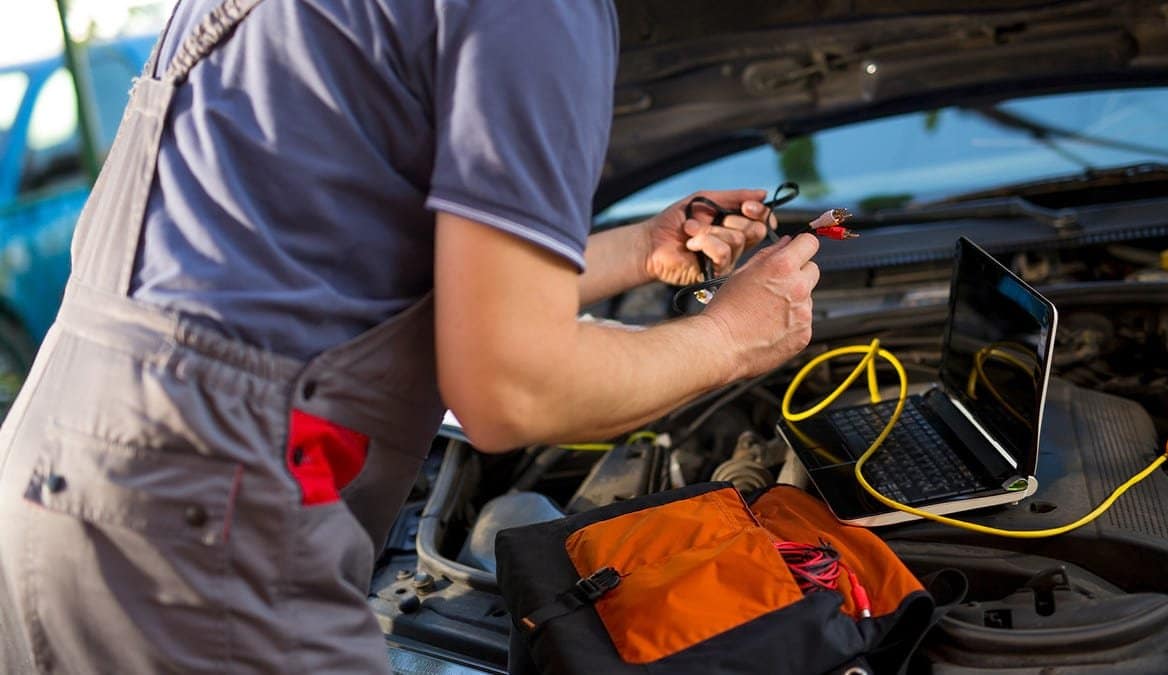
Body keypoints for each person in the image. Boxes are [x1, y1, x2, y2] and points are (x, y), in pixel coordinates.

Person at [0, 0, 821, 672]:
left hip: (58, 473)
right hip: (205, 522)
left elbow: (341, 270)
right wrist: (734, 339)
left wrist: (637, 251)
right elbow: (510, 387)